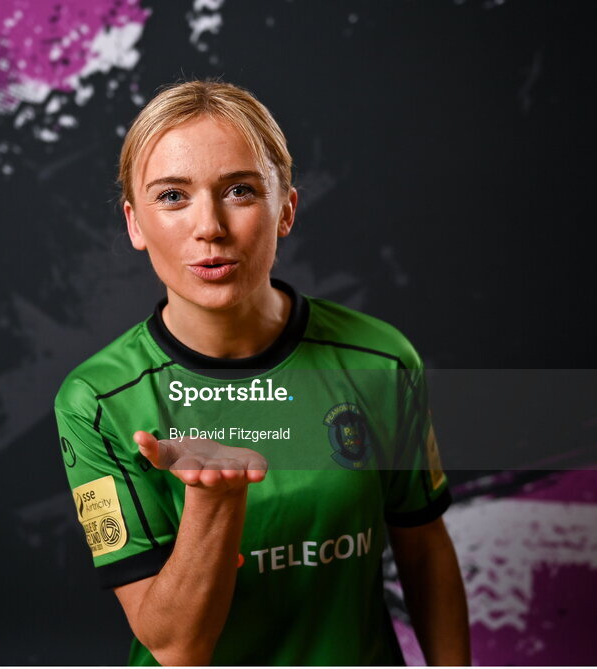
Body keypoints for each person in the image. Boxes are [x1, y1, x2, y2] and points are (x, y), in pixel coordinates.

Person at [54, 80, 470, 666]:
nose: (210, 226)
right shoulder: (95, 401)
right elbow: (176, 647)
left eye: (240, 191)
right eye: (172, 196)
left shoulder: (382, 358)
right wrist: (213, 500)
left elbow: (423, 545)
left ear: (286, 209)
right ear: (135, 224)